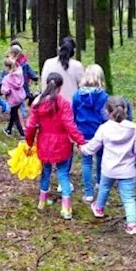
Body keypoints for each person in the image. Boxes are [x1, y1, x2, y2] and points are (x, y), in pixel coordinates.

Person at [81, 96, 136, 234]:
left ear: (107, 111)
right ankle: (132, 225)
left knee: (104, 188)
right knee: (129, 198)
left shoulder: (104, 128)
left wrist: (82, 148)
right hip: (127, 170)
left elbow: (92, 147)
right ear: (126, 110)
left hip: (109, 169)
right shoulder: (133, 128)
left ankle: (99, 208)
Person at [24, 73, 86, 220]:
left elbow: (31, 126)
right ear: (60, 87)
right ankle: (66, 208)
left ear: (47, 84)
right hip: (62, 143)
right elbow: (70, 125)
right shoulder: (63, 103)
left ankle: (42, 201)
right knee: (63, 174)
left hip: (44, 143)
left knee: (45, 171)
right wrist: (81, 141)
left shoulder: (38, 103)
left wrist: (29, 141)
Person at [72, 64, 110, 203]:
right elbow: (106, 116)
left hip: (83, 134)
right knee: (101, 160)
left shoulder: (77, 95)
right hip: (100, 133)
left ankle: (88, 193)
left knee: (86, 163)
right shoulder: (104, 97)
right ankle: (100, 186)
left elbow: (73, 114)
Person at [40, 37, 84, 105]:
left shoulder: (48, 63)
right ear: (74, 50)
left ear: (59, 48)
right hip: (71, 106)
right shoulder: (77, 65)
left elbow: (44, 85)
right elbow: (82, 87)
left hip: (51, 105)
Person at [0, 56, 27, 137]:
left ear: (7, 67)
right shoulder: (19, 73)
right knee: (13, 113)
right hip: (20, 97)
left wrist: (3, 92)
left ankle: (22, 134)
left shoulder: (7, 79)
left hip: (13, 99)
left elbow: (6, 90)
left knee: (15, 116)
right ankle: (8, 130)